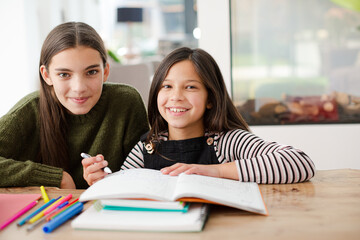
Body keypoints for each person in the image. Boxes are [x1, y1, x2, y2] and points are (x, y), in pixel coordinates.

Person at [121, 47, 315, 184]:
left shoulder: (228, 142)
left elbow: (299, 162)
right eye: (167, 86)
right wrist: (102, 180)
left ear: (210, 98)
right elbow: (119, 187)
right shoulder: (147, 148)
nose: (176, 97)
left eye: (190, 87)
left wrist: (215, 171)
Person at [0, 22, 149, 189]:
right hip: (49, 212)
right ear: (46, 75)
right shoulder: (29, 111)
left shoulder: (126, 102)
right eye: (64, 74)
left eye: (91, 72)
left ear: (105, 71)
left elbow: (145, 171)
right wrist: (58, 178)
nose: (79, 88)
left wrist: (107, 182)